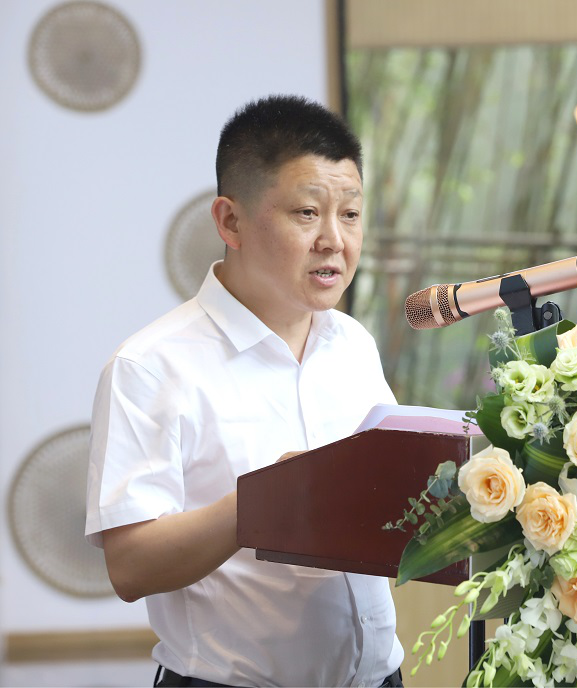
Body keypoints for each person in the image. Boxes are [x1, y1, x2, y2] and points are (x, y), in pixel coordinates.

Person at [85, 95, 403, 688]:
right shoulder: (150, 366)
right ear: (230, 221)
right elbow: (130, 567)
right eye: (307, 213)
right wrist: (261, 502)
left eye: (351, 214)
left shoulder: (353, 344)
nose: (334, 240)